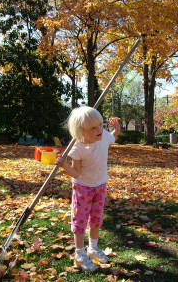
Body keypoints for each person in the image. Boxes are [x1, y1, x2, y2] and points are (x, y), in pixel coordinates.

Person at [55, 106, 120, 273]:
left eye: (100, 124)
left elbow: (111, 138)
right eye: (93, 127)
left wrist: (116, 130)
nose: (99, 129)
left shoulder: (104, 135)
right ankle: (79, 253)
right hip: (83, 187)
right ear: (80, 131)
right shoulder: (77, 147)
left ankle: (93, 248)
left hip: (100, 185)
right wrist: (64, 165)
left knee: (96, 218)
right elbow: (76, 172)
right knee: (80, 219)